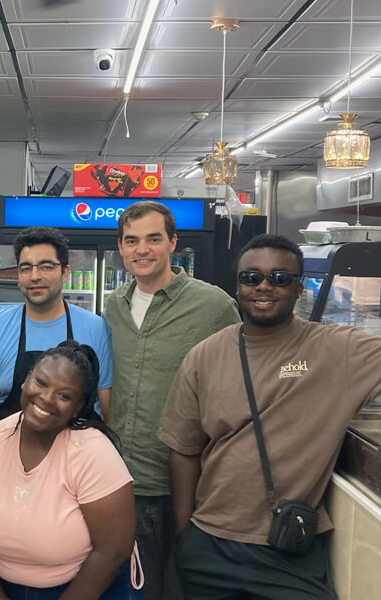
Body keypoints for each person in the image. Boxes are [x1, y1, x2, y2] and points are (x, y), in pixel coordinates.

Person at [159, 234, 381, 599]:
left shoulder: (337, 350)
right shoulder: (204, 356)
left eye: (280, 278)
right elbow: (183, 449)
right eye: (251, 278)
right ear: (237, 287)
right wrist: (186, 535)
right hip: (209, 545)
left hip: (288, 546)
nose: (264, 286)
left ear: (299, 289)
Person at [103, 201, 239, 600]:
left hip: (182, 483)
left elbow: (241, 379)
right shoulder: (114, 306)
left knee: (178, 587)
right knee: (127, 588)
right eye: (132, 241)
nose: (141, 250)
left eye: (153, 239)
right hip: (120, 478)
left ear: (173, 243)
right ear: (121, 248)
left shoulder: (213, 306)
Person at [0, 341, 140, 600]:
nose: (46, 398)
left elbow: (113, 550)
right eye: (41, 383)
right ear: (25, 380)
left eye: (64, 395)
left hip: (91, 589)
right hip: (5, 588)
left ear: (78, 407)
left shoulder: (92, 452)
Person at [0, 226, 112, 445]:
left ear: (65, 272)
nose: (35, 276)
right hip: (11, 459)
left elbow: (108, 410)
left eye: (46, 266)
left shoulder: (96, 329)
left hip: (78, 464)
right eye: (25, 268)